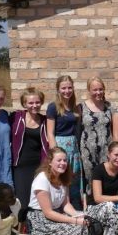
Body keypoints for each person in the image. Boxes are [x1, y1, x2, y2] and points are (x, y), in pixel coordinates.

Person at [26, 148, 89, 235]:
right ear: (50, 162)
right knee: (81, 232)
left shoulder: (63, 179)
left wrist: (78, 215)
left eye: (65, 160)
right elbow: (48, 213)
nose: (63, 163)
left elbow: (66, 205)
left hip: (55, 216)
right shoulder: (42, 179)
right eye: (59, 160)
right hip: (40, 222)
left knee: (88, 223)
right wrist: (75, 221)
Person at [11, 88, 49, 222]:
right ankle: (21, 230)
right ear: (24, 104)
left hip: (39, 166)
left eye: (37, 102)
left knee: (38, 198)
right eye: (31, 103)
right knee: (22, 200)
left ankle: (36, 228)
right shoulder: (15, 117)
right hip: (20, 166)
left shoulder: (45, 120)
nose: (34, 106)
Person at [46, 75, 83, 209]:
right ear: (58, 90)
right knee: (60, 179)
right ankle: (60, 208)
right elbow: (50, 132)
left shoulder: (75, 107)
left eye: (69, 88)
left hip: (73, 148)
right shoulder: (52, 107)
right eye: (63, 88)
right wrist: (55, 153)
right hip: (60, 145)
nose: (67, 91)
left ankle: (75, 209)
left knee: (73, 179)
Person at [80, 77, 112, 199]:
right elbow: (79, 130)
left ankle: (106, 207)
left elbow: (114, 130)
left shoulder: (109, 107)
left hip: (106, 150)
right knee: (90, 179)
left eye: (100, 89)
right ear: (89, 90)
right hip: (88, 152)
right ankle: (90, 206)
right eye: (95, 90)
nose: (98, 92)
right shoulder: (81, 107)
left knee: (106, 178)